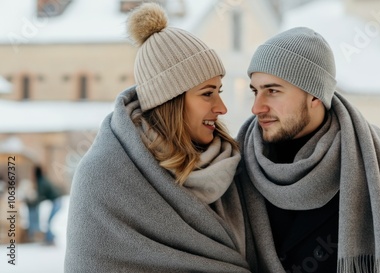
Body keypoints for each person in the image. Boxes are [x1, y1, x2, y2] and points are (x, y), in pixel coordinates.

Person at [65, 3, 250, 272]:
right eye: (208, 93)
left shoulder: (232, 167)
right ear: (170, 100)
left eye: (219, 91)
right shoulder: (102, 177)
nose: (222, 108)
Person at [236, 27, 380, 273]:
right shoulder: (238, 166)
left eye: (272, 91)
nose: (257, 107)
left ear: (315, 95)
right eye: (255, 91)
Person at [33, 165, 62, 245]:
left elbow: (41, 194)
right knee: (49, 221)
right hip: (56, 201)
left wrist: (35, 201)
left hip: (56, 202)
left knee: (49, 221)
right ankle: (50, 238)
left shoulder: (41, 181)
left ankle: (50, 240)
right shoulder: (43, 179)